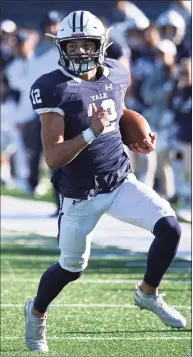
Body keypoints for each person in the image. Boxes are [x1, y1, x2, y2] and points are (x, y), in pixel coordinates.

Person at [25, 10, 186, 353]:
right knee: (70, 268)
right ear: (61, 47)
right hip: (79, 193)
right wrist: (91, 132)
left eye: (87, 45)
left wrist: (136, 132)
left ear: (101, 46)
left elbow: (117, 107)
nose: (81, 52)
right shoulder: (52, 88)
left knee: (170, 227)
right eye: (73, 45)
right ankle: (36, 312)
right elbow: (52, 157)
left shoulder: (116, 72)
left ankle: (148, 293)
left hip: (118, 179)